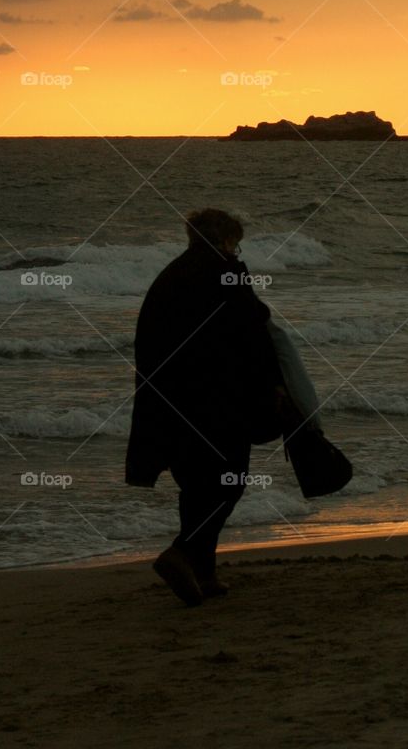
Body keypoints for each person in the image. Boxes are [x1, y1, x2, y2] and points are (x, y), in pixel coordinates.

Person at [126, 207, 304, 606]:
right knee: (230, 479)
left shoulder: (170, 276)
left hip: (169, 400)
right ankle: (183, 552)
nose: (236, 251)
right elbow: (251, 329)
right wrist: (274, 385)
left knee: (195, 483)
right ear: (224, 240)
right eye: (234, 243)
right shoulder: (226, 272)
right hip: (219, 398)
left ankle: (202, 573)